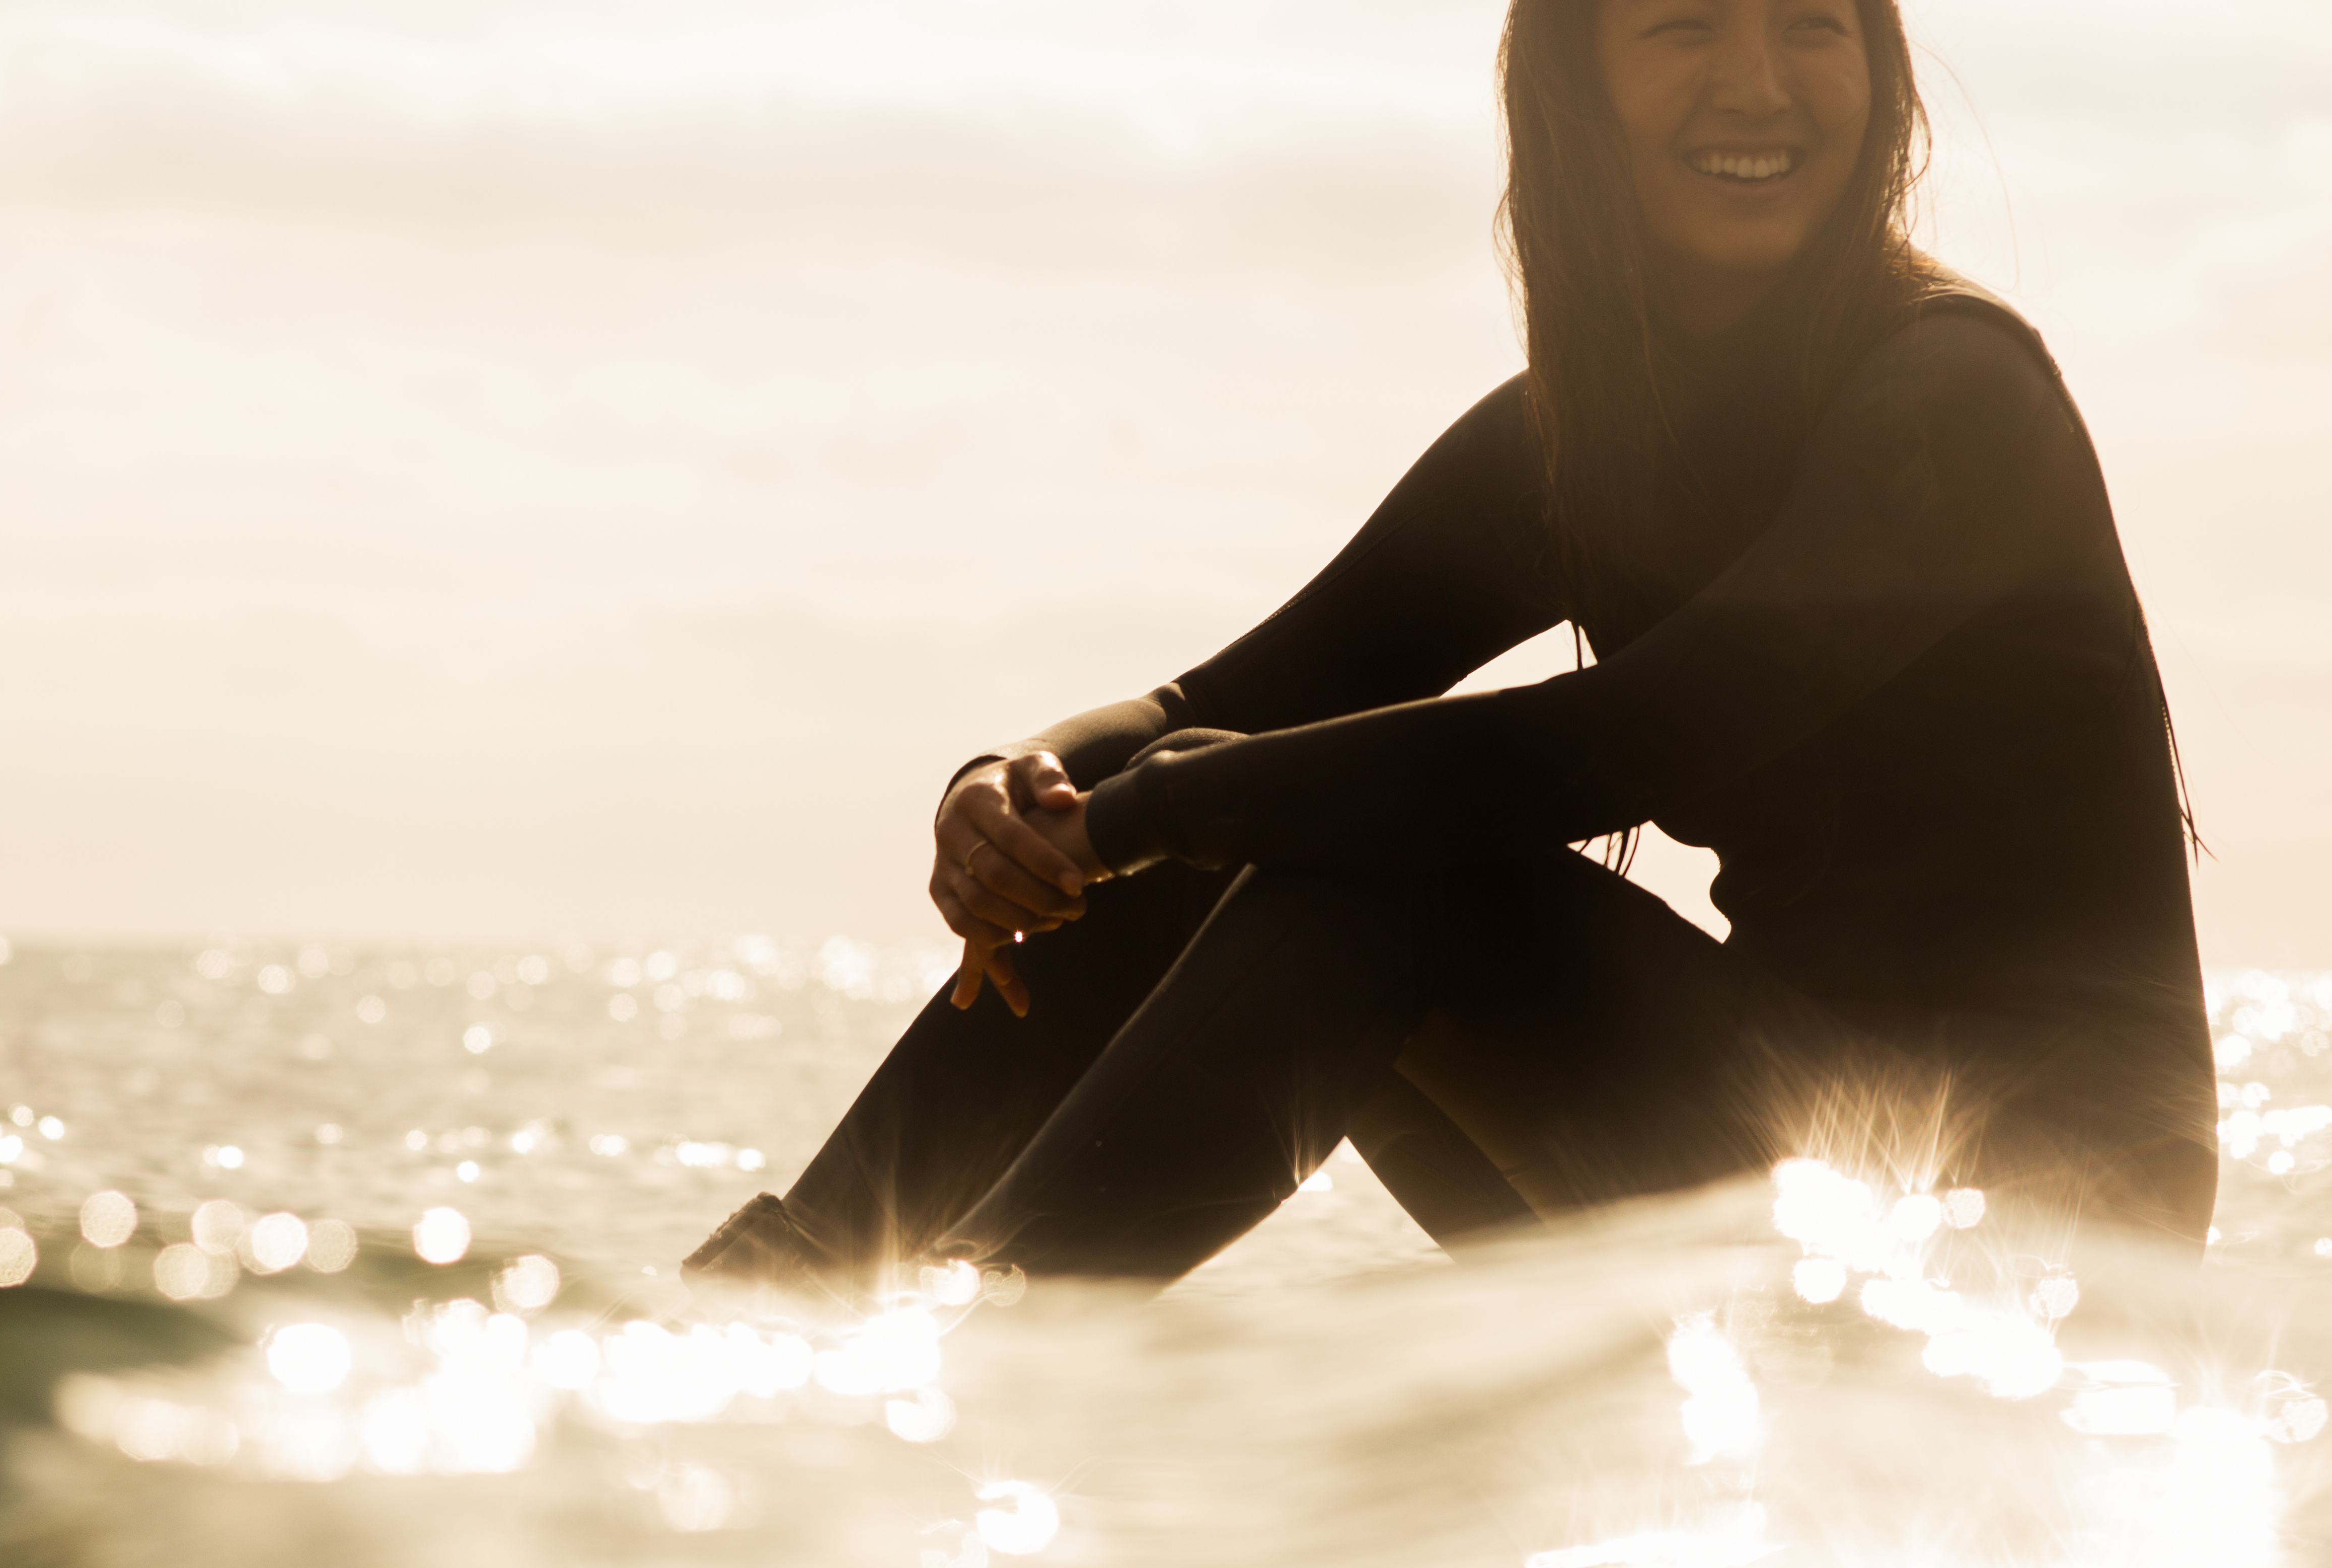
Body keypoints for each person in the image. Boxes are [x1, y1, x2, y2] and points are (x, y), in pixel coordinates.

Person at [686, 0, 2215, 1288]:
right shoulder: (1581, 438)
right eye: (1686, 22)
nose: (1757, 81)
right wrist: (1016, 797)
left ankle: (952, 1383)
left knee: (1386, 874)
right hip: (1787, 1158)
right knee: (1227, 835)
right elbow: (1216, 703)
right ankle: (780, 1314)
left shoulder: (1954, 400)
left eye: (1814, 23)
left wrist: (1159, 809)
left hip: (2041, 1237)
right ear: (1577, 81)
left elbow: (1606, 744)